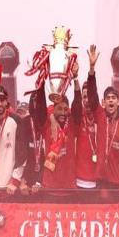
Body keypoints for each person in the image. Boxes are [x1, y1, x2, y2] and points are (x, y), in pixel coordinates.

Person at [30, 62, 82, 192]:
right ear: (53, 109)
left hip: (69, 187)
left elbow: (77, 104)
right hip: (49, 187)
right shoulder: (47, 123)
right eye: (60, 109)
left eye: (65, 109)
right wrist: (42, 78)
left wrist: (76, 78)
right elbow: (41, 105)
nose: (63, 112)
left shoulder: (72, 124)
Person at [86, 45, 119, 197]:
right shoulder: (100, 115)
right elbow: (92, 95)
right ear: (103, 103)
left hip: (117, 181)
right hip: (100, 178)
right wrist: (92, 70)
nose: (111, 100)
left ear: (118, 102)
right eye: (108, 98)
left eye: (113, 98)